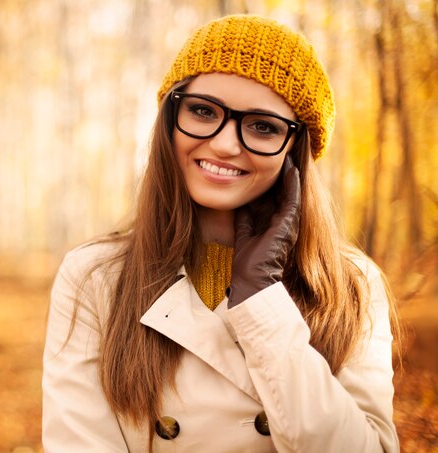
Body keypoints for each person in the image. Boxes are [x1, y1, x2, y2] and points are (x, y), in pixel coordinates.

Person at [42, 14, 400, 452]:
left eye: (262, 126)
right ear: (171, 118)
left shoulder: (352, 284)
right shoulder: (93, 277)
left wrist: (261, 299)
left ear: (296, 150)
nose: (226, 144)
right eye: (203, 111)